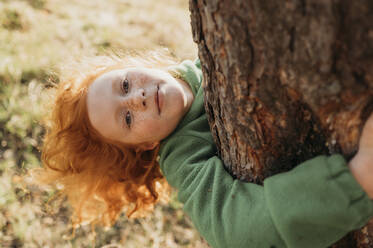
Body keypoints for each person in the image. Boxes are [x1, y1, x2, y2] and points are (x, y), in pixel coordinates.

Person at [35, 50, 373, 248]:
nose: (135, 98)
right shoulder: (181, 153)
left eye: (124, 83)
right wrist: (356, 181)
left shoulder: (204, 58)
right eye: (126, 119)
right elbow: (231, 228)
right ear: (146, 146)